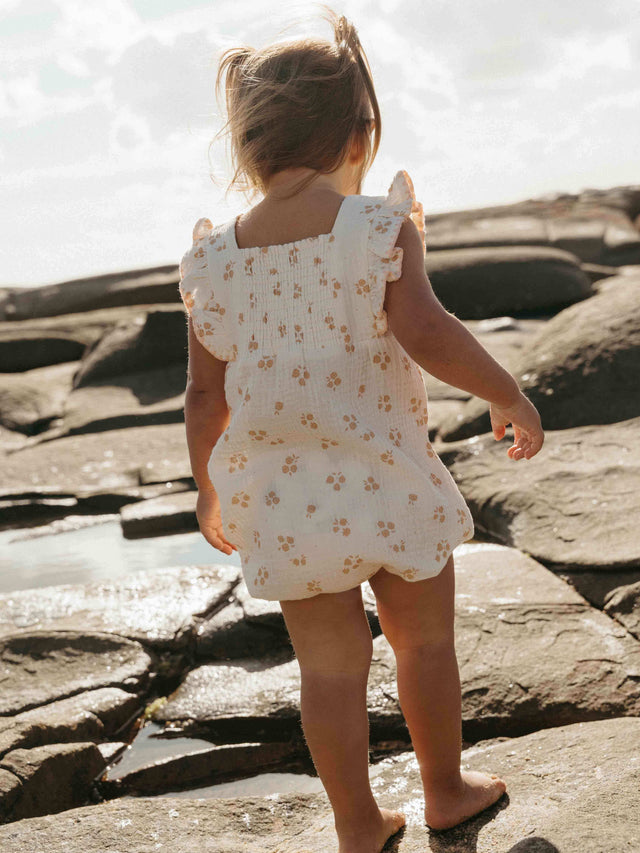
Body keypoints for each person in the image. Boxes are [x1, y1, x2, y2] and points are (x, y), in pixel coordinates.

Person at [178, 7, 544, 852]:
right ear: (360, 132)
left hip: (285, 497)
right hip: (386, 477)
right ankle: (445, 789)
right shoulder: (377, 227)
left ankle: (356, 823)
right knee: (424, 643)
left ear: (249, 145)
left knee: (329, 668)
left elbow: (205, 395)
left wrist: (209, 485)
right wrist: (507, 390)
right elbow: (427, 329)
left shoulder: (214, 264)